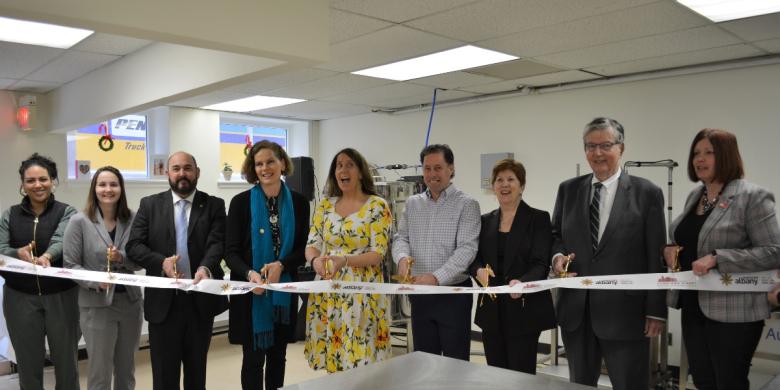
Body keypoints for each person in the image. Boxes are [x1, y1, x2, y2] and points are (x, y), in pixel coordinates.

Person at [551, 117, 666, 389]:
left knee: (630, 384)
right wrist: (557, 258)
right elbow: (555, 236)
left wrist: (656, 310)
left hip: (626, 314)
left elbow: (655, 254)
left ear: (621, 148)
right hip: (576, 313)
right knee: (579, 384)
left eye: (605, 145)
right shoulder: (568, 190)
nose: (597, 153)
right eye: (590, 146)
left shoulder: (647, 193)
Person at [663, 129, 780, 390]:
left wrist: (718, 258)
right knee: (703, 382)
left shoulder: (753, 196)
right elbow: (691, 237)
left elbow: (773, 251)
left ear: (726, 156)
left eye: (709, 153)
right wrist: (671, 249)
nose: (699, 159)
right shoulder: (696, 196)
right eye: (696, 153)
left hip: (734, 312)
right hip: (694, 306)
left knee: (729, 383)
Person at [127, 151, 228, 390]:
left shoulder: (213, 204)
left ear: (197, 172)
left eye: (187, 168)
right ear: (167, 173)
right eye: (176, 168)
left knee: (196, 374)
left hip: (199, 302)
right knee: (164, 377)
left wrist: (205, 267)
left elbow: (217, 243)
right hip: (163, 305)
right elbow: (134, 246)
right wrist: (161, 262)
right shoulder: (149, 205)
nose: (182, 173)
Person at [225, 141, 310, 389]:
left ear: (282, 163)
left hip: (283, 291)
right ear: (253, 168)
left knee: (277, 357)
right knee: (252, 360)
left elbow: (301, 249)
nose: (265, 168)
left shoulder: (299, 202)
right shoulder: (240, 202)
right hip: (250, 292)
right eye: (259, 163)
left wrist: (281, 265)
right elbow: (230, 253)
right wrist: (251, 274)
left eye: (270, 161)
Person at [303, 148, 392, 373]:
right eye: (338, 165)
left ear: (361, 172)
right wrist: (315, 262)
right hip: (328, 288)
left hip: (363, 293)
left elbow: (377, 253)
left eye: (349, 164)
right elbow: (312, 244)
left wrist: (344, 260)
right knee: (334, 358)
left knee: (362, 360)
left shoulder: (377, 206)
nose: (343, 169)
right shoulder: (325, 206)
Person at [392, 144, 480, 360]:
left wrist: (435, 278)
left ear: (451, 169)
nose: (432, 174)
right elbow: (401, 238)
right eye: (427, 168)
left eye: (438, 168)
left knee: (455, 364)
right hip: (420, 297)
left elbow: (467, 250)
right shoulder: (413, 204)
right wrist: (402, 258)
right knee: (423, 361)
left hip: (453, 295)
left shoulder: (467, 204)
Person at [468, 159, 555, 374]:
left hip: (524, 309)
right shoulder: (485, 221)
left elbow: (541, 263)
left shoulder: (539, 218)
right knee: (496, 373)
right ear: (493, 187)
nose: (504, 185)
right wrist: (478, 271)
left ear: (522, 186)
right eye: (499, 180)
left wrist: (522, 282)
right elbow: (473, 257)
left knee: (521, 375)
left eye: (511, 179)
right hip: (491, 311)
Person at [0, 153, 79, 389]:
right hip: (20, 298)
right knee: (28, 363)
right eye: (30, 180)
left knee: (66, 363)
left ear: (53, 180)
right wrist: (18, 254)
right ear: (22, 185)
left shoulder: (67, 212)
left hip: (62, 297)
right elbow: (1, 248)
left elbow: (62, 239)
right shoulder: (10, 215)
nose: (37, 185)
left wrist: (46, 256)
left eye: (43, 179)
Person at [63, 166, 143, 390]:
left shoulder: (135, 218)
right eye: (102, 184)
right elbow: (70, 265)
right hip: (95, 306)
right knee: (100, 372)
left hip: (130, 304)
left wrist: (122, 257)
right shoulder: (79, 221)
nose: (108, 189)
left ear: (121, 188)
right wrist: (95, 281)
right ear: (94, 188)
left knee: (126, 370)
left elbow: (140, 260)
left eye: (113, 184)